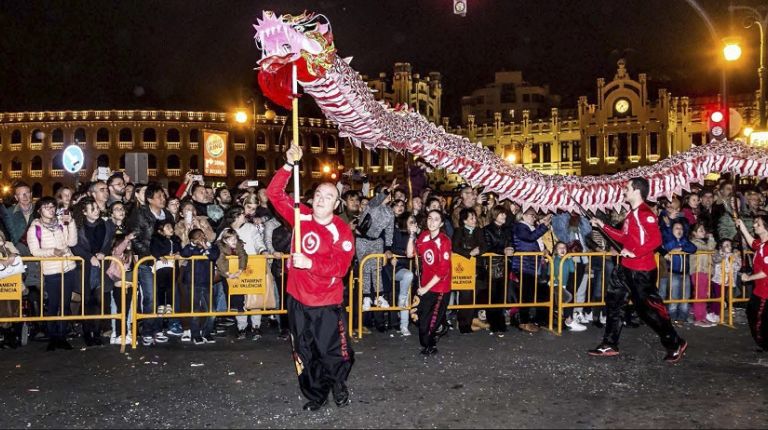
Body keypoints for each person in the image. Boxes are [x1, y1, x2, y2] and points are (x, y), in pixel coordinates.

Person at [266, 143, 356, 412]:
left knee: (333, 352)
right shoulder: (300, 215)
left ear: (336, 204)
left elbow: (340, 267)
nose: (320, 199)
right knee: (304, 352)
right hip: (298, 299)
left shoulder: (341, 231)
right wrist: (287, 164)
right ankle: (316, 394)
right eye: (318, 194)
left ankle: (339, 384)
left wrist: (310, 262)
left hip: (326, 303)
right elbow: (273, 193)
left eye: (328, 196)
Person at [587, 177, 688, 363]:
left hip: (641, 271)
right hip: (625, 269)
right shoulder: (632, 214)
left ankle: (675, 343)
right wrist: (603, 226)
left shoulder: (644, 213)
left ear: (636, 190)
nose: (623, 191)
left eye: (626, 188)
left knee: (649, 312)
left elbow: (656, 240)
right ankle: (609, 343)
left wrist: (635, 253)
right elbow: (624, 237)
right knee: (614, 303)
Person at [27, 197, 78, 351]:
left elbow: (72, 243)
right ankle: (53, 336)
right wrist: (52, 252)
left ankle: (62, 336)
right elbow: (35, 251)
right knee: (53, 304)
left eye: (52, 206)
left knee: (65, 303)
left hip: (68, 267)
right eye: (46, 207)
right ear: (39, 210)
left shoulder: (61, 223)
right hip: (51, 270)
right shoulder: (34, 228)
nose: (50, 209)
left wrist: (71, 223)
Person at [407, 209, 452, 355]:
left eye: (436, 219)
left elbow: (443, 270)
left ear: (442, 223)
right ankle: (439, 327)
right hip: (425, 285)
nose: (432, 222)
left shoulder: (444, 241)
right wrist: (412, 235)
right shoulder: (424, 236)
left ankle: (430, 344)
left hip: (439, 288)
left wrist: (426, 288)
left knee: (430, 323)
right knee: (418, 317)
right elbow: (410, 253)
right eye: (430, 218)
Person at [736, 215, 768, 351]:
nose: (754, 226)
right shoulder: (761, 244)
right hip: (759, 290)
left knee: (759, 320)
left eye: (758, 224)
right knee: (751, 313)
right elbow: (752, 243)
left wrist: (748, 278)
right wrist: (742, 226)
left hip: (765, 293)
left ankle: (764, 343)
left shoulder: (767, 247)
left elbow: (766, 272)